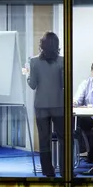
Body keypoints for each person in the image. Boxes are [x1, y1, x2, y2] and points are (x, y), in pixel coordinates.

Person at [26, 32, 64, 178]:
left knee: (44, 140)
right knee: (63, 139)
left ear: (41, 45)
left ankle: (48, 172)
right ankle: (65, 169)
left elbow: (33, 85)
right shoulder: (63, 61)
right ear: (57, 44)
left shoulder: (34, 61)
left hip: (41, 105)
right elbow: (64, 84)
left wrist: (28, 75)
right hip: (59, 105)